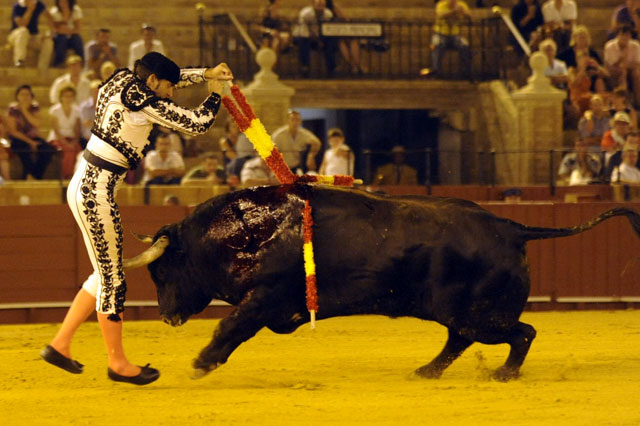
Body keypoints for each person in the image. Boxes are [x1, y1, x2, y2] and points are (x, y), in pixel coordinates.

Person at [40, 52, 233, 385]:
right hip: (95, 191)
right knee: (113, 281)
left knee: (104, 275)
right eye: (168, 87)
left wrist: (206, 73)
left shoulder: (121, 78)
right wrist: (217, 93)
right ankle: (117, 363)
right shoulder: (142, 100)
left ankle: (60, 344)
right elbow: (197, 124)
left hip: (87, 182)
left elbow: (169, 78)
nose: (171, 93)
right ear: (153, 81)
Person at [5, 84, 55, 179]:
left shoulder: (35, 107)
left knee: (47, 149)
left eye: (27, 94)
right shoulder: (12, 109)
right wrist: (30, 142)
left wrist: (24, 110)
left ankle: (33, 175)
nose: (25, 97)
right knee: (24, 148)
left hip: (33, 137)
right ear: (17, 96)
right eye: (22, 94)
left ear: (31, 96)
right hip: (18, 138)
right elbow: (13, 131)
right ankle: (32, 176)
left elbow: (37, 124)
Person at [428, 0, 472, 78]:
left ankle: (466, 72)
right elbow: (440, 15)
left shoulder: (461, 5)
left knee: (464, 45)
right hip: (440, 34)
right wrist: (453, 11)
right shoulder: (441, 4)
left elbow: (469, 17)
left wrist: (464, 12)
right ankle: (436, 71)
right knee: (436, 45)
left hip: (455, 35)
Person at [294, 0, 337, 77]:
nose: (320, 7)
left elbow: (328, 30)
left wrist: (321, 40)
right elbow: (304, 32)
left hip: (320, 37)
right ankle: (305, 66)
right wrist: (317, 40)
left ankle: (331, 68)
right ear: (313, 5)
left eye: (322, 5)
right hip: (303, 36)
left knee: (331, 42)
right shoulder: (305, 14)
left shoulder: (328, 14)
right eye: (318, 4)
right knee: (303, 42)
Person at [48, 85, 82, 179]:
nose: (68, 98)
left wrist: (74, 142)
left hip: (71, 137)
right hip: (57, 139)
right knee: (68, 151)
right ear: (61, 97)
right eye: (66, 96)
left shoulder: (77, 110)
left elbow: (77, 129)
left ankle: (76, 177)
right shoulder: (55, 110)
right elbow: (56, 130)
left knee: (78, 151)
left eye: (71, 96)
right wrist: (66, 143)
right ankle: (66, 176)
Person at [8, 0, 53, 69]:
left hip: (32, 37)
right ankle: (19, 60)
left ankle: (42, 68)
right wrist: (30, 10)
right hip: (16, 36)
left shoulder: (39, 4)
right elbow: (22, 24)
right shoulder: (17, 6)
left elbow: (50, 18)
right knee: (23, 31)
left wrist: (50, 33)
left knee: (48, 42)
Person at [604, 25, 640, 106]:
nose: (625, 37)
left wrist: (625, 65)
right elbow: (611, 66)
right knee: (622, 72)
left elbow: (637, 64)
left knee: (636, 74)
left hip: (630, 71)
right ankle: (624, 103)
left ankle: (638, 103)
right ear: (618, 35)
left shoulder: (635, 46)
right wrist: (622, 58)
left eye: (627, 35)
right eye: (622, 35)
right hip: (614, 72)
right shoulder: (610, 46)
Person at [326, 0, 365, 74]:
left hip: (341, 31)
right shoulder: (323, 10)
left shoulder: (334, 8)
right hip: (332, 35)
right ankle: (355, 66)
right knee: (341, 42)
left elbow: (345, 19)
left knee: (353, 40)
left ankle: (356, 66)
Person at [50, 0, 83, 67]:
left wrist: (68, 31)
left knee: (77, 39)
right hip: (59, 36)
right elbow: (54, 28)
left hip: (72, 35)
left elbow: (78, 29)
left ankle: (81, 63)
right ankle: (59, 63)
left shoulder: (76, 10)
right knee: (62, 39)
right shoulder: (54, 12)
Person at [78, 79, 101, 146]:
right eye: (95, 92)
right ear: (90, 92)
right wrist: (98, 124)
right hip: (86, 140)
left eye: (99, 91)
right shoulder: (84, 106)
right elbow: (85, 123)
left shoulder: (106, 106)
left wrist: (92, 123)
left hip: (101, 141)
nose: (97, 94)